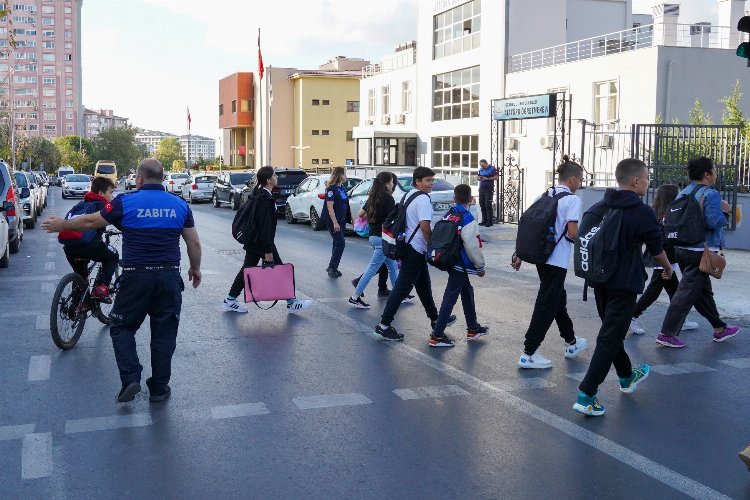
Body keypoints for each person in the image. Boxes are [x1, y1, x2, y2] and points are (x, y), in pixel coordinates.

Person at [43, 159, 202, 404]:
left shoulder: (126, 202)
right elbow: (193, 242)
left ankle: (131, 379)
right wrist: (195, 268)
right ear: (162, 178)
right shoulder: (179, 204)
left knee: (122, 328)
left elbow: (90, 221)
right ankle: (159, 389)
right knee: (164, 334)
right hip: (168, 278)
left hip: (136, 277)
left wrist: (61, 225)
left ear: (139, 178)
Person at [573, 158, 673, 416]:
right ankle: (587, 394)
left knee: (612, 331)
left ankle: (627, 376)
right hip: (624, 283)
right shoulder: (642, 212)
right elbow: (656, 248)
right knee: (609, 336)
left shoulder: (601, 205)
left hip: (598, 279)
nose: (649, 183)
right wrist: (668, 268)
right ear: (636, 181)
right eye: (647, 179)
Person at [512, 156, 588, 368]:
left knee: (556, 299)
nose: (580, 184)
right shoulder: (573, 200)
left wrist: (519, 252)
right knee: (547, 304)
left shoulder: (543, 195)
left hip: (541, 257)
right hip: (557, 259)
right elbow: (572, 232)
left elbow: (530, 227)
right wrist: (590, 238)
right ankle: (529, 353)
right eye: (580, 180)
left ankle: (571, 342)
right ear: (572, 179)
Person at [656, 157, 739, 347]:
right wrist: (725, 211)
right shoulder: (711, 194)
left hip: (682, 249)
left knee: (702, 292)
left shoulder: (683, 193)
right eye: (714, 170)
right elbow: (713, 222)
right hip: (701, 252)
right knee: (685, 294)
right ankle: (666, 334)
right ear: (706, 174)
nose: (716, 174)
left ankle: (719, 328)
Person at [374, 167, 455, 341]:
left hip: (409, 247)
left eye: (432, 180)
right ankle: (384, 325)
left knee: (424, 287)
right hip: (416, 249)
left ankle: (436, 320)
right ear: (417, 181)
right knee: (401, 288)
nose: (431, 184)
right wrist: (432, 245)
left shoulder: (408, 195)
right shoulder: (424, 199)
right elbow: (425, 226)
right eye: (427, 180)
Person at [223, 166, 313, 314]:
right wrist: (268, 250)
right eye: (275, 176)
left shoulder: (258, 194)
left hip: (255, 241)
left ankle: (230, 299)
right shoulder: (265, 199)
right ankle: (292, 302)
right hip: (262, 243)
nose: (276, 178)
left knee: (247, 268)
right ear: (268, 180)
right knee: (280, 271)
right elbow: (266, 227)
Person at [628, 184, 698, 335]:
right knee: (654, 290)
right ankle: (632, 315)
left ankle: (681, 319)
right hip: (662, 257)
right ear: (672, 197)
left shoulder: (662, 212)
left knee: (675, 289)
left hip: (667, 257)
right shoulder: (664, 215)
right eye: (678, 194)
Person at [429, 184, 489, 347]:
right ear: (471, 200)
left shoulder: (449, 214)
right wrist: (480, 266)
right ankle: (437, 335)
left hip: (448, 260)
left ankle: (473, 328)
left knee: (466, 290)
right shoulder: (468, 218)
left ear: (454, 199)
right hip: (460, 264)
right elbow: (472, 245)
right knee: (450, 296)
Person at [348, 172, 414, 308]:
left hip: (373, 236)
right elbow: (393, 220)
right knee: (372, 269)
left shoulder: (372, 198)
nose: (393, 184)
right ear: (385, 184)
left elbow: (360, 214)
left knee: (393, 267)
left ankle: (399, 294)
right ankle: (355, 297)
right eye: (391, 182)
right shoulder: (388, 199)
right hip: (382, 238)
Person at [61, 176, 119, 300]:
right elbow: (116, 220)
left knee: (81, 275)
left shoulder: (82, 203)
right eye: (110, 192)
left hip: (70, 248)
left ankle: (77, 306)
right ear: (101, 193)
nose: (112, 197)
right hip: (89, 246)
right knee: (113, 257)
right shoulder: (102, 205)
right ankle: (101, 287)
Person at [322, 166, 349, 278]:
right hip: (333, 220)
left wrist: (351, 218)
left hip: (341, 219)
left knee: (336, 243)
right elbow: (330, 207)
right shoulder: (331, 189)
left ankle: (334, 268)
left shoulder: (342, 188)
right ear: (340, 175)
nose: (346, 176)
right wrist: (335, 223)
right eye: (345, 174)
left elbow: (346, 203)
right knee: (341, 243)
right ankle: (332, 267)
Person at [477, 159, 498, 227]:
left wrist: (487, 179)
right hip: (481, 188)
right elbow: (478, 177)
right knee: (482, 204)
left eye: (483, 166)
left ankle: (489, 221)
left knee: (488, 205)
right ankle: (484, 220)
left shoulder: (492, 168)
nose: (482, 167)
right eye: (481, 166)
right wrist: (480, 178)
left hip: (488, 189)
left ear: (486, 164)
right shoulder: (481, 169)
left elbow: (496, 177)